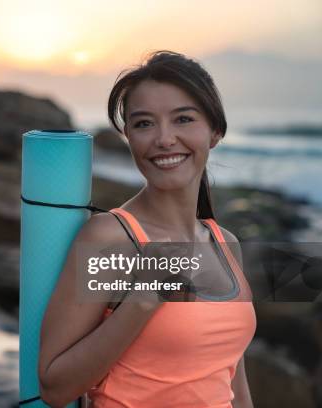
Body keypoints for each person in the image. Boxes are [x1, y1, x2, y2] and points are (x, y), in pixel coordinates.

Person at [38, 50, 256, 408]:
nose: (165, 139)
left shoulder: (225, 243)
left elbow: (233, 382)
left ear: (215, 131)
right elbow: (55, 387)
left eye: (183, 119)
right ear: (129, 137)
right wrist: (142, 301)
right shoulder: (109, 237)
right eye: (143, 124)